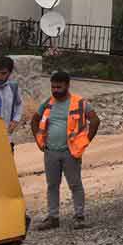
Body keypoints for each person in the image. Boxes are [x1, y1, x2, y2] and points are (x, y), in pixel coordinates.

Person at [29, 71, 100, 230]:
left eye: (58, 87)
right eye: (53, 87)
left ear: (67, 86)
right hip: (50, 152)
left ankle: (79, 217)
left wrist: (85, 141)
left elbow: (95, 120)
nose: (55, 90)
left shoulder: (79, 102)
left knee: (75, 184)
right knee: (52, 185)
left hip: (71, 152)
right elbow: (34, 120)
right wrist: (39, 141)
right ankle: (53, 218)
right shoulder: (48, 103)